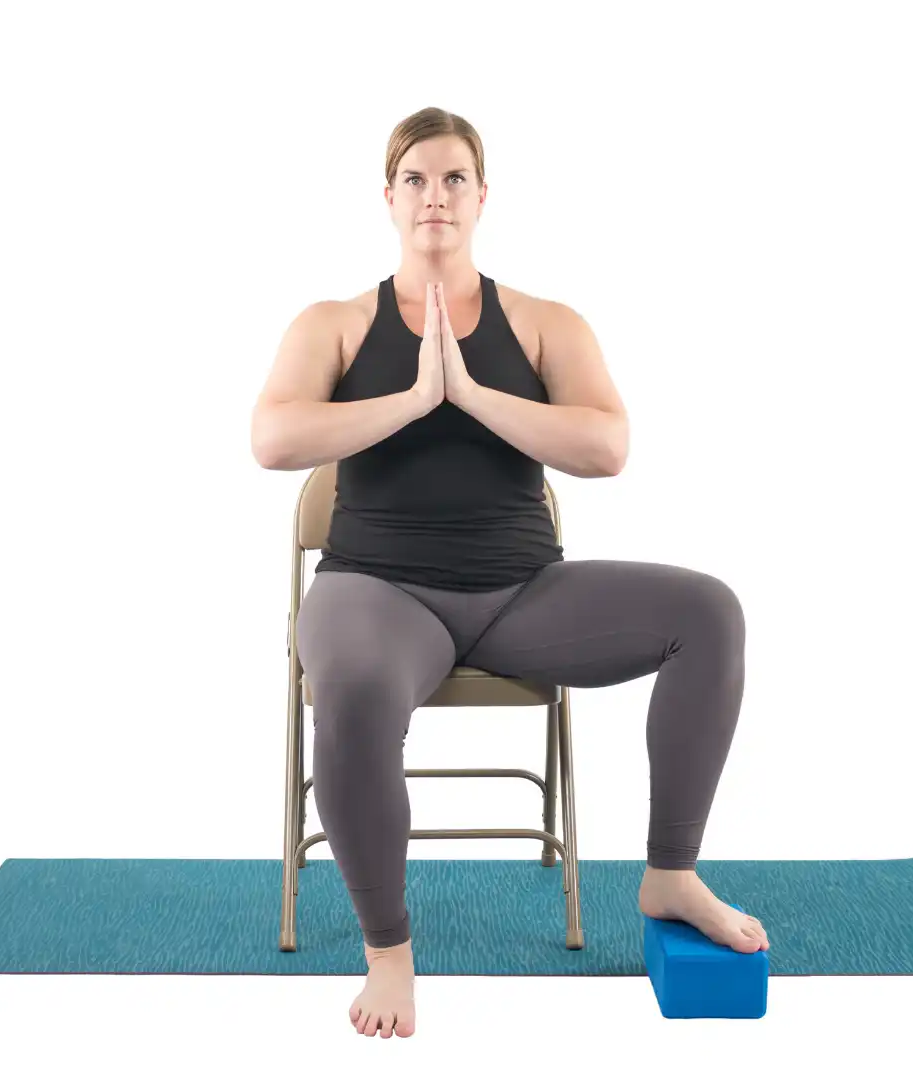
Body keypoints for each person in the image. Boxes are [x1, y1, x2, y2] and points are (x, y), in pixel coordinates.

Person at [248, 108, 768, 1039]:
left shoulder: (541, 322)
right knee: (357, 687)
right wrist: (412, 397)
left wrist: (474, 394)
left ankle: (670, 875)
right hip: (375, 588)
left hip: (524, 593)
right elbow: (274, 438)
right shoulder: (332, 323)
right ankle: (390, 954)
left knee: (710, 614)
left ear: (482, 197)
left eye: (454, 179)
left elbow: (607, 446)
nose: (435, 196)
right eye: (416, 178)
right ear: (388, 197)